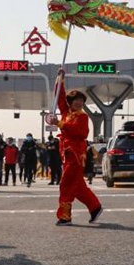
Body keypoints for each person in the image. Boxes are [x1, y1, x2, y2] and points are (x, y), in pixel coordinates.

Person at [49, 72, 102, 226]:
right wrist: (60, 79)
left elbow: (81, 133)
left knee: (65, 184)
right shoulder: (66, 112)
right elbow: (59, 96)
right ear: (70, 102)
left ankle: (65, 216)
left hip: (76, 155)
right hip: (67, 154)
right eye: (76, 100)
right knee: (77, 186)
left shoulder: (83, 117)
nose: (79, 103)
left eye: (81, 100)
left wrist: (60, 124)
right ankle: (95, 207)